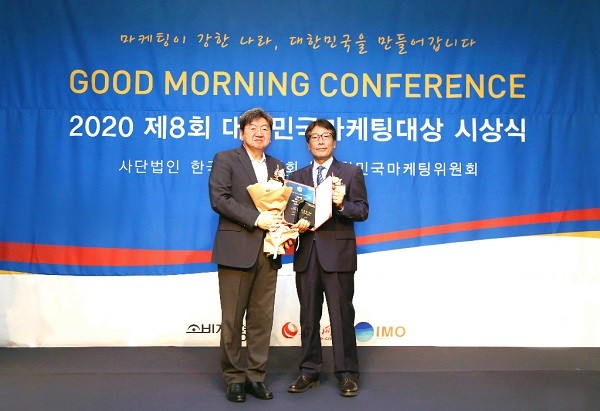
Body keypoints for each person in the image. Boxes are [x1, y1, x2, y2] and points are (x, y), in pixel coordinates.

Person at [287, 119, 369, 397]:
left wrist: (342, 204)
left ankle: (347, 374)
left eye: (326, 136)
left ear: (334, 142)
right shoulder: (296, 177)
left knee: (341, 316)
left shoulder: (350, 172)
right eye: (314, 136)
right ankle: (309, 371)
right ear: (307, 144)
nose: (320, 141)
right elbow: (291, 216)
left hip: (338, 256)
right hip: (307, 255)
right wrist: (294, 224)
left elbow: (362, 210)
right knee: (309, 317)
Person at [209, 107, 285, 403]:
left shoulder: (278, 166)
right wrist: (256, 219)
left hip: (269, 251)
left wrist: (289, 225)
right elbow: (220, 199)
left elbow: (282, 205)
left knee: (261, 318)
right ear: (242, 133)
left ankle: (255, 376)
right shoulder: (226, 159)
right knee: (232, 319)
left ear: (271, 135)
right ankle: (234, 378)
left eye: (264, 128)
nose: (259, 132)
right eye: (252, 127)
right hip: (236, 250)